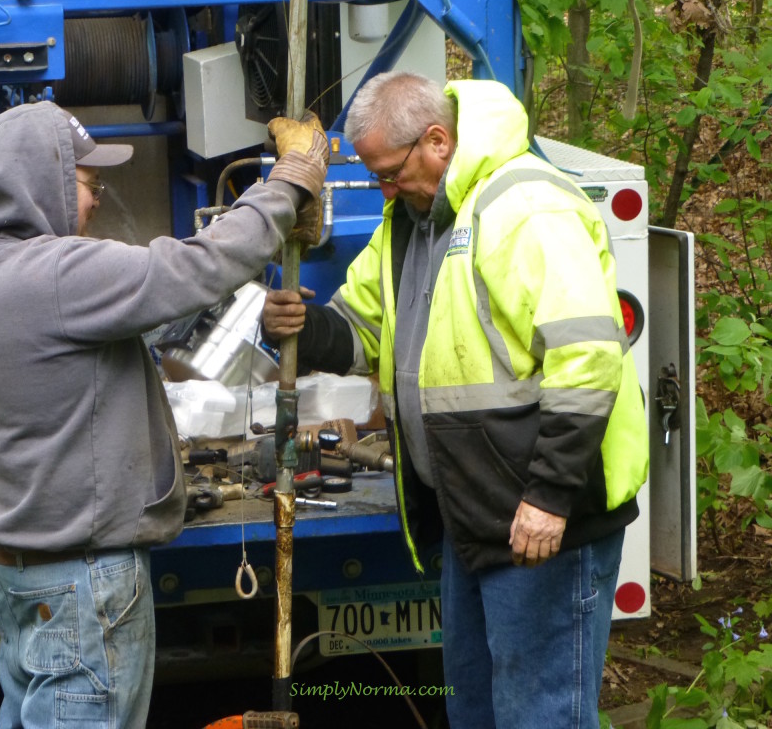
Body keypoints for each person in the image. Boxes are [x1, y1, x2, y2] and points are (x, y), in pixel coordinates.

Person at [261, 72, 647, 728]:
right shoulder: (412, 223)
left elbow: (587, 358)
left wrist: (549, 496)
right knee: (477, 713)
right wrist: (305, 325)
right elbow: (364, 330)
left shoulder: (527, 208)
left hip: (540, 527)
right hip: (470, 524)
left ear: (437, 141)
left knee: (541, 716)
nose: (382, 189)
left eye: (388, 173)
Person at [0, 100, 328, 729]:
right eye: (87, 181)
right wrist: (292, 178)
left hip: (29, 576)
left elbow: (126, 320)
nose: (96, 198)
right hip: (84, 586)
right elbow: (191, 266)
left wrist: (247, 313)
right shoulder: (56, 272)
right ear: (39, 182)